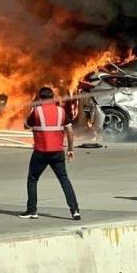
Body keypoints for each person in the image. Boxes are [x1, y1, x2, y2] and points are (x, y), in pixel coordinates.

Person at [19, 87, 81, 221]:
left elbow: (26, 125)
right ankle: (75, 210)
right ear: (53, 98)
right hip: (57, 152)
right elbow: (70, 132)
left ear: (40, 98)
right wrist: (70, 149)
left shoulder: (37, 111)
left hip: (41, 152)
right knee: (64, 180)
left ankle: (32, 211)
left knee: (33, 179)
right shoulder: (61, 111)